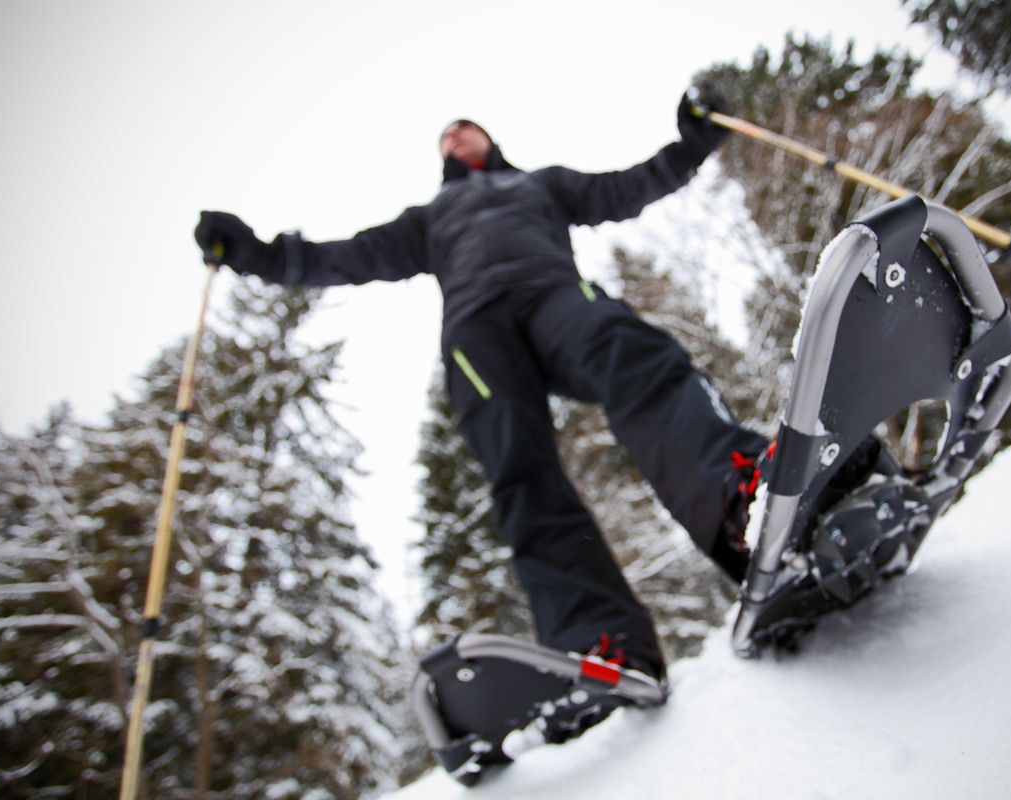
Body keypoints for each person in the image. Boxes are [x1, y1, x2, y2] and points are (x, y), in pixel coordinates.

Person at [194, 87, 770, 682]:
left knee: (632, 354)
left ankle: (742, 500)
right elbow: (348, 255)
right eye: (445, 134)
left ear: (490, 141)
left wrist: (691, 147)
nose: (454, 135)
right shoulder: (429, 219)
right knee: (519, 473)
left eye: (464, 128)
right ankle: (599, 643)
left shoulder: (539, 185)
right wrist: (259, 255)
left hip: (553, 295)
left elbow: (622, 190)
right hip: (477, 333)